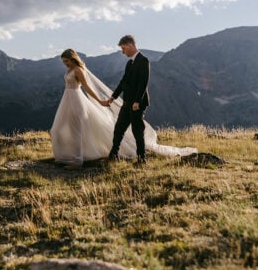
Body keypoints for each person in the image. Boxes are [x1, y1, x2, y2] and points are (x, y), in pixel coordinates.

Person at [50, 46, 196, 169]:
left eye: (67, 61)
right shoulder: (69, 69)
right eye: (64, 62)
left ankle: (77, 160)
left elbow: (87, 88)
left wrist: (101, 101)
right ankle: (68, 155)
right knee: (58, 129)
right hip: (67, 100)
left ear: (72, 58)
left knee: (77, 129)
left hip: (76, 100)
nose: (65, 64)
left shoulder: (78, 70)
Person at [103, 35, 151, 165]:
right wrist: (113, 97)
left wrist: (137, 101)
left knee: (137, 131)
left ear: (130, 45)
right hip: (126, 102)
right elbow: (124, 81)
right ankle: (113, 154)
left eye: (124, 49)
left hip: (137, 103)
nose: (123, 53)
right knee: (119, 128)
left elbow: (143, 82)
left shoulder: (143, 60)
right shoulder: (129, 63)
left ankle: (142, 159)